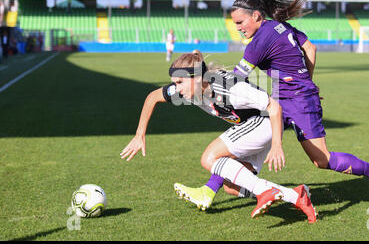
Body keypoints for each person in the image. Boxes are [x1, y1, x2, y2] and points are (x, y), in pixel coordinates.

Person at [175, 0, 369, 210]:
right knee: (237, 148)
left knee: (322, 160)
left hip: (298, 101)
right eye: (235, 24)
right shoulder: (279, 26)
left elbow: (234, 79)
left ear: (256, 16)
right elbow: (310, 47)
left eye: (241, 22)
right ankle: (209, 191)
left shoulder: (258, 43)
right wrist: (306, 82)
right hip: (286, 98)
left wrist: (201, 74)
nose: (238, 28)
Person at [120, 51, 317, 222]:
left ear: (197, 78)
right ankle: (295, 195)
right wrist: (140, 134)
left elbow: (273, 107)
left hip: (266, 122)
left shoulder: (231, 88)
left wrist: (276, 145)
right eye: (174, 83)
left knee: (209, 157)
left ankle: (265, 192)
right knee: (232, 186)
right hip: (252, 128)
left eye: (180, 82)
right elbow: (153, 97)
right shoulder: (186, 89)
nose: (176, 89)